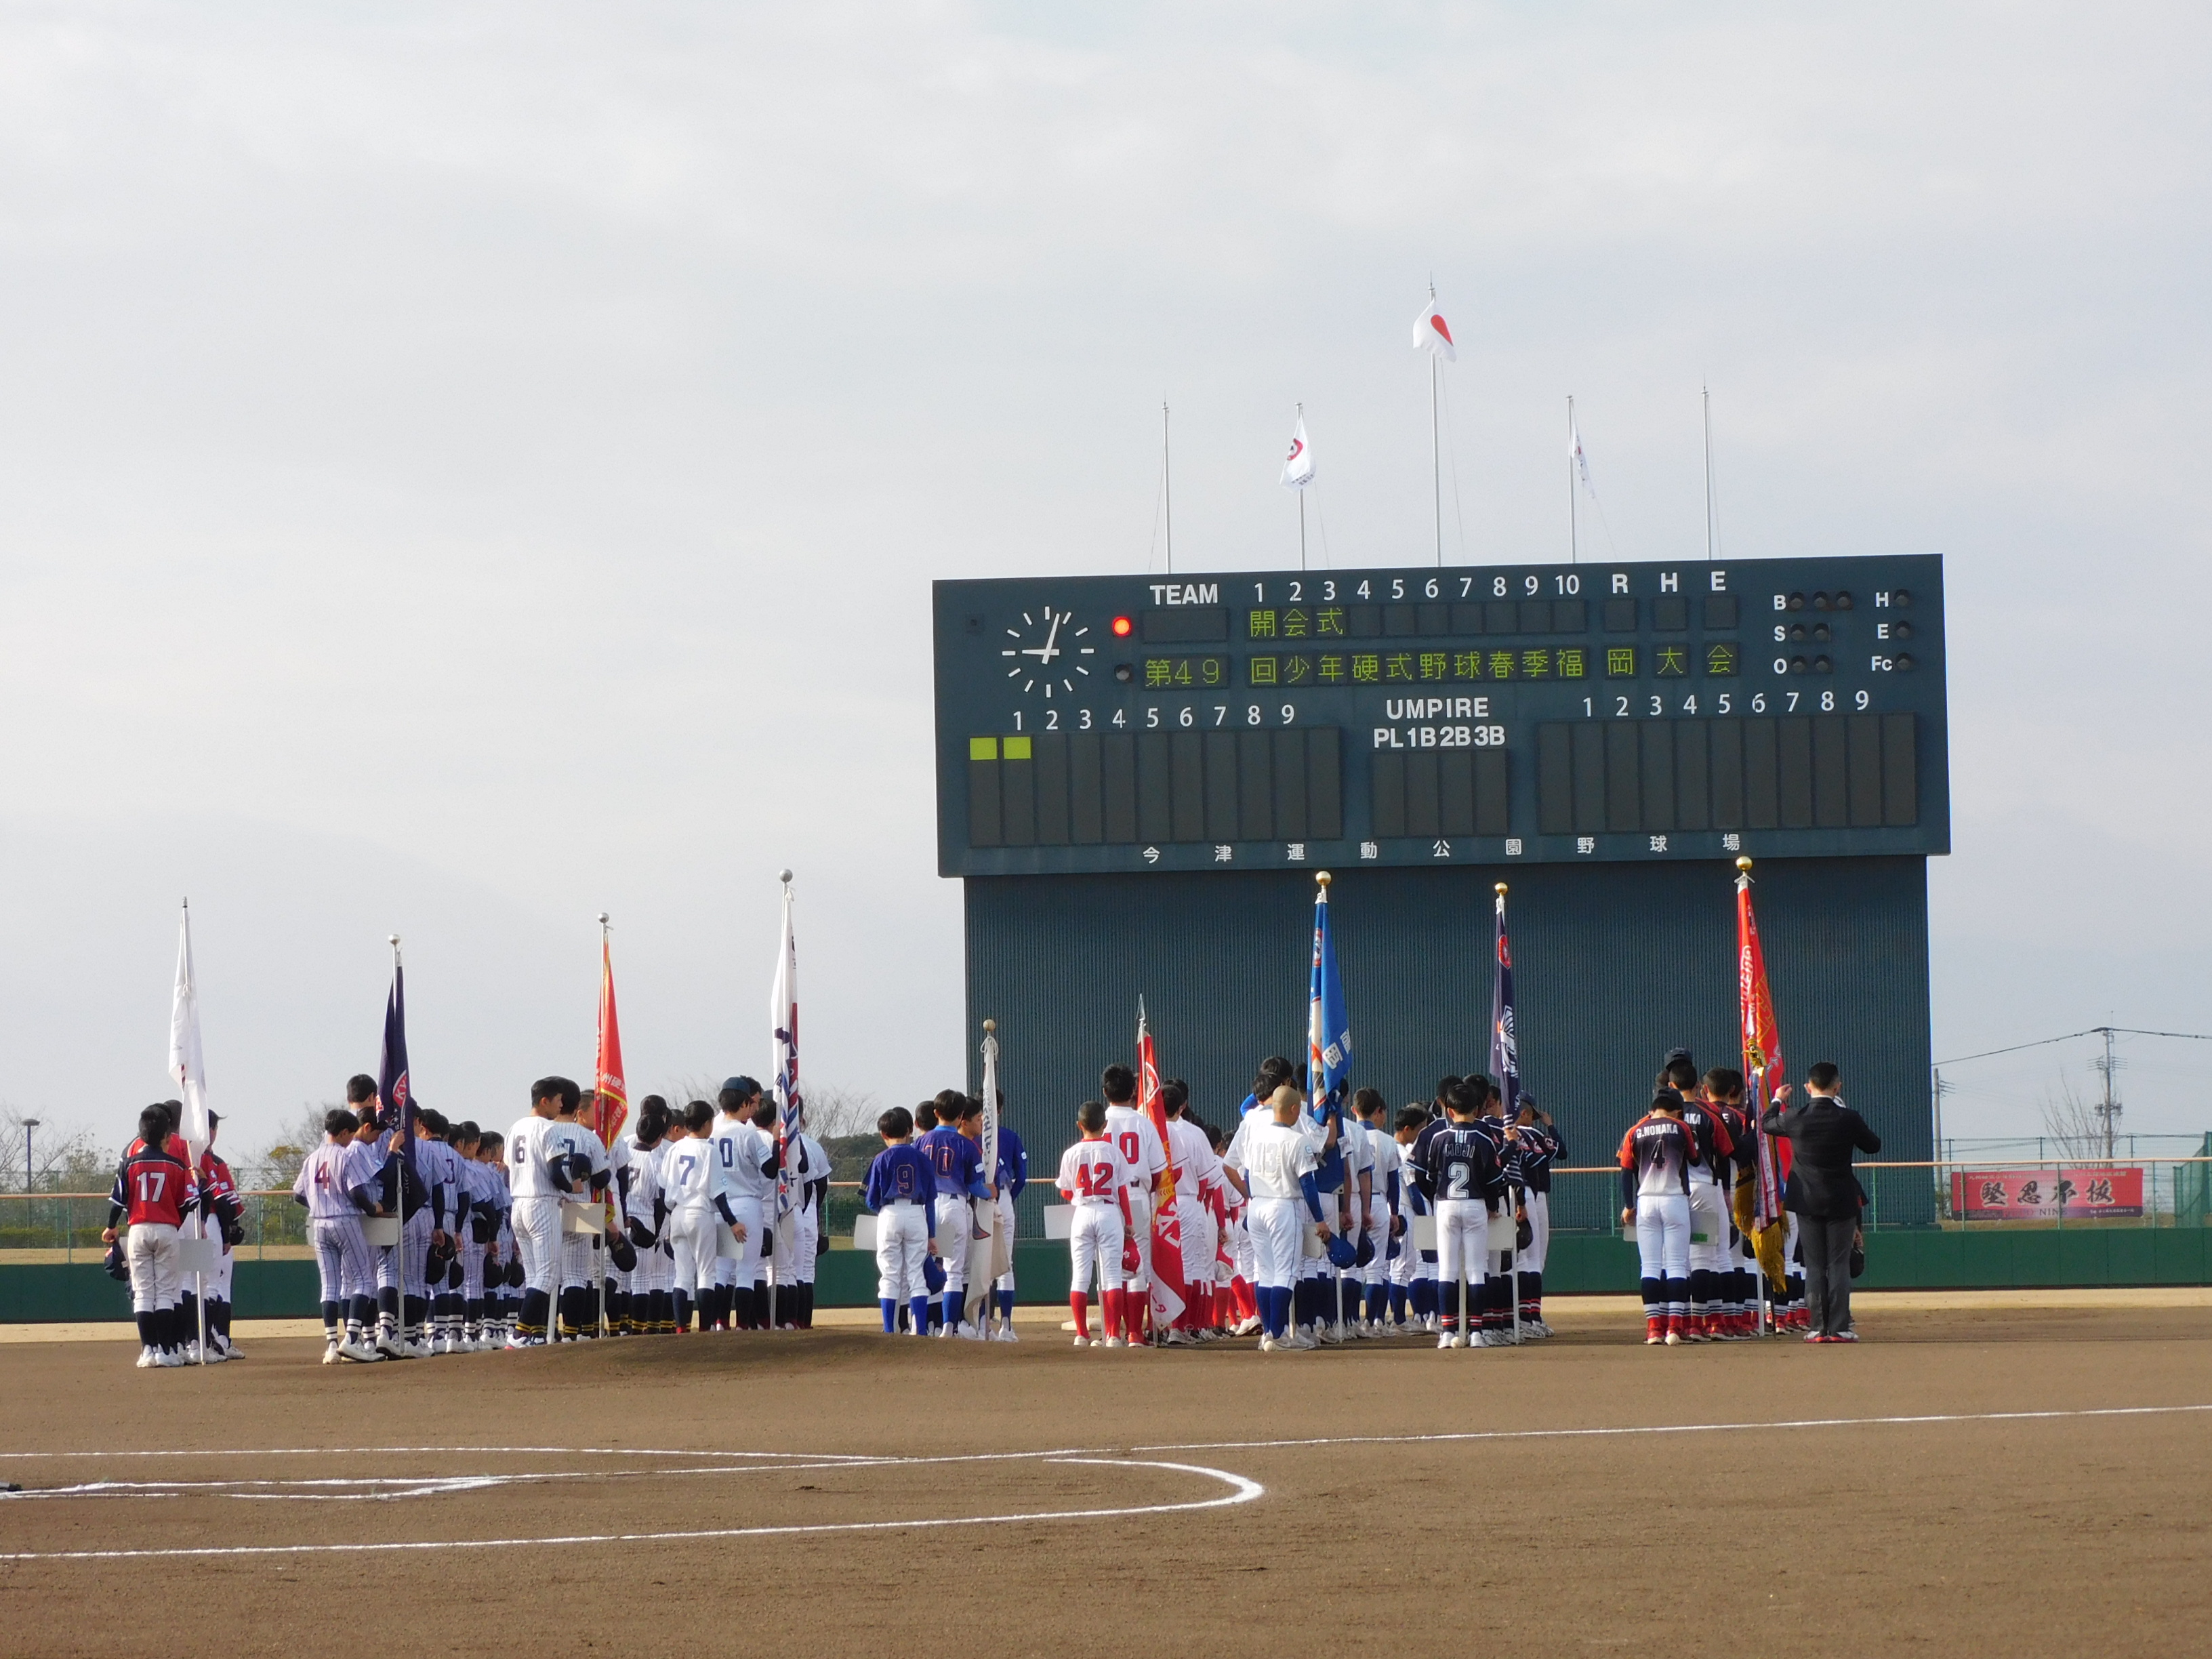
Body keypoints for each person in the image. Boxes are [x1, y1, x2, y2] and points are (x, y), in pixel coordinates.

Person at [1761, 1061, 1882, 1343]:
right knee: (1838, 1263)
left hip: (1806, 1200)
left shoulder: (1795, 1117)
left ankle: (1817, 1327)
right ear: (1838, 1087)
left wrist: (1778, 1099)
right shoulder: (1848, 1118)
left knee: (1814, 1265)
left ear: (1808, 1087)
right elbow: (1873, 1145)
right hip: (1841, 1199)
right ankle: (1839, 1327)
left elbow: (1767, 1123)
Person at [1223, 1084, 1336, 1352]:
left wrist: (1252, 1197)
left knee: (1266, 1273)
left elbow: (1242, 1172)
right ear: (1295, 1109)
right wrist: (1320, 1220)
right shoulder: (1298, 1140)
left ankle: (1269, 1333)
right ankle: (1277, 1334)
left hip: (1257, 1206)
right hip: (1283, 1207)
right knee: (1286, 1272)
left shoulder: (1254, 1137)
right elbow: (1308, 1184)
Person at [103, 1105, 199, 1368]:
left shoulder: (129, 1163)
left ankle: (148, 1351)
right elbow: (191, 1201)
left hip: (138, 1229)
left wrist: (111, 1227)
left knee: (143, 1292)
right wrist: (176, 1220)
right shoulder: (176, 1164)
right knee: (167, 1292)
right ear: (167, 1136)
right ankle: (166, 1351)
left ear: (141, 1135)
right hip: (167, 1229)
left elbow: (117, 1202)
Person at [1415, 1082, 1502, 1349]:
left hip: (1446, 1204)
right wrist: (1492, 1205)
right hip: (1475, 1204)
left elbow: (1424, 1176)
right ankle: (1476, 1332)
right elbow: (1494, 1181)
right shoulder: (1484, 1140)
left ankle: (1447, 1331)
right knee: (1477, 1270)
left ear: (1449, 1111)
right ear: (1477, 1110)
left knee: (1447, 1269)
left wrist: (1434, 1195)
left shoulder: (1438, 1138)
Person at [293, 1107, 382, 1362]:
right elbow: (356, 1192)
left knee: (331, 1285)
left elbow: (298, 1194)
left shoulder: (312, 1158)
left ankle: (332, 1346)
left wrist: (318, 1204)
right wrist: (372, 1209)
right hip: (345, 1220)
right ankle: (352, 1340)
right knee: (364, 1280)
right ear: (343, 1132)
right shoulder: (345, 1155)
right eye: (350, 1134)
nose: (351, 1138)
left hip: (319, 1223)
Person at [1056, 1100, 1136, 1347]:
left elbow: (1065, 1192)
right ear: (1105, 1124)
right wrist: (1129, 1221)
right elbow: (1122, 1190)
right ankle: (1113, 1335)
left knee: (1080, 1277)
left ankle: (1082, 1334)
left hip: (1082, 1212)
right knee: (1112, 1276)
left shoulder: (1071, 1153)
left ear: (1079, 1125)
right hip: (1108, 1212)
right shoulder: (1113, 1151)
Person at [1620, 1090, 1695, 1346]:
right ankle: (1674, 1327)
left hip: (1646, 1200)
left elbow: (1625, 1171)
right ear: (1675, 1110)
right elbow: (1694, 1159)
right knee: (1676, 1265)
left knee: (1650, 1266)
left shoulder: (1635, 1130)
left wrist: (1629, 1205)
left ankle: (1654, 1329)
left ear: (1652, 1110)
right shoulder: (1681, 1127)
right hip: (1675, 1199)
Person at [505, 1076, 575, 1348]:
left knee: (535, 1275)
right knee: (549, 1274)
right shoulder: (548, 1128)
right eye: (558, 1100)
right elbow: (557, 1174)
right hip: (541, 1203)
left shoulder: (515, 1128)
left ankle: (535, 1334)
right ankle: (519, 1335)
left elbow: (507, 1171)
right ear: (544, 1101)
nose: (561, 1105)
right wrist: (571, 1186)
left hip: (518, 1203)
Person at [1100, 1065, 1166, 1344]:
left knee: (1109, 1266)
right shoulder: (1144, 1123)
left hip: (1106, 1199)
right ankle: (1135, 1333)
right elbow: (1159, 1172)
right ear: (1133, 1091)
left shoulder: (1098, 1121)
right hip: (1137, 1194)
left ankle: (1111, 1332)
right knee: (1138, 1267)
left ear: (1105, 1092)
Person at [863, 1106, 937, 1336]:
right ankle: (920, 1330)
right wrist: (932, 1234)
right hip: (916, 1212)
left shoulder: (881, 1159)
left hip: (890, 1212)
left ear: (884, 1134)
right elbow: (930, 1201)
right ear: (909, 1130)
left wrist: (886, 1212)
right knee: (916, 1274)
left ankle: (889, 1330)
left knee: (890, 1275)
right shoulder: (922, 1158)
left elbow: (871, 1199)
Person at [917, 1094, 986, 1338]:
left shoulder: (921, 1141)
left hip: (925, 1206)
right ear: (961, 1116)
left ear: (936, 1113)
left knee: (918, 1269)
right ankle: (949, 1327)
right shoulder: (967, 1145)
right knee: (954, 1272)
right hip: (954, 1205)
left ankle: (920, 1326)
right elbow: (976, 1186)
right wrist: (990, 1192)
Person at [192, 1111, 247, 1361]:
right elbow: (224, 1204)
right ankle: (213, 1340)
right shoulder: (209, 1161)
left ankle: (200, 1342)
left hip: (191, 1223)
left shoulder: (187, 1159)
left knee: (193, 1285)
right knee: (214, 1285)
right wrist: (227, 1235)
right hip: (210, 1223)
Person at [1512, 1097, 1561, 1337]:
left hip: (1528, 1195)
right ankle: (1524, 1318)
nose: (1533, 1120)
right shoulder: (1526, 1134)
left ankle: (1531, 1316)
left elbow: (1559, 1152)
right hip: (1524, 1195)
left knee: (1532, 1260)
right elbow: (1559, 1150)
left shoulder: (1530, 1135)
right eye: (1532, 1114)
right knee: (1528, 1260)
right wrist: (1550, 1127)